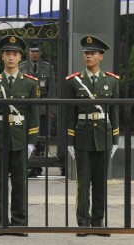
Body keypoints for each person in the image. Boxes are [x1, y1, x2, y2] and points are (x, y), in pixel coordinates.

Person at [0, 35, 39, 236]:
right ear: (2, 57)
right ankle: (0, 223)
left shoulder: (30, 84)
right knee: (0, 183)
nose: (11, 58)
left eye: (14, 54)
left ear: (20, 58)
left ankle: (19, 223)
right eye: (7, 54)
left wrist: (32, 142)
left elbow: (33, 117)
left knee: (19, 182)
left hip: (20, 138)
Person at [66, 35, 119, 237]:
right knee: (83, 183)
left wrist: (114, 139)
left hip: (103, 136)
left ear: (101, 56)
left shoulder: (111, 81)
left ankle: (99, 222)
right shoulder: (74, 81)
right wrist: (70, 140)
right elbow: (70, 115)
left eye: (92, 53)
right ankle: (83, 223)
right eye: (86, 53)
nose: (88, 56)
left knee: (100, 183)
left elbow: (114, 113)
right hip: (82, 136)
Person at [19, 42, 56, 177]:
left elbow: (52, 89)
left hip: (43, 108)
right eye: (32, 51)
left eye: (37, 51)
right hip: (27, 108)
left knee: (42, 137)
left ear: (40, 53)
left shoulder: (47, 68)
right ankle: (28, 164)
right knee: (26, 136)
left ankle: (38, 165)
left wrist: (52, 110)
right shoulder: (22, 67)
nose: (34, 54)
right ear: (29, 53)